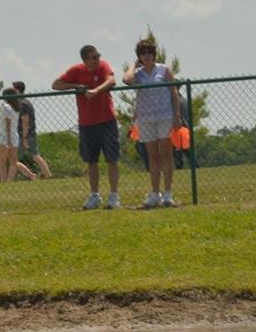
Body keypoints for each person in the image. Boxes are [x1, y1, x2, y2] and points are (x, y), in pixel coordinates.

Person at [53, 44, 121, 209]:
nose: (97, 59)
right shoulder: (76, 71)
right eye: (93, 57)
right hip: (87, 124)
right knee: (92, 161)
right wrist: (76, 86)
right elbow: (56, 84)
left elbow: (111, 80)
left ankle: (114, 196)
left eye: (98, 56)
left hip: (107, 121)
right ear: (85, 60)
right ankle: (95, 195)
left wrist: (96, 90)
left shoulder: (103, 66)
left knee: (112, 159)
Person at [122, 39, 182, 208]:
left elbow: (174, 93)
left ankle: (168, 193)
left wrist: (177, 115)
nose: (147, 55)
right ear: (139, 56)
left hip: (164, 116)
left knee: (166, 154)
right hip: (146, 118)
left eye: (150, 52)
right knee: (152, 156)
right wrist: (134, 66)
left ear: (154, 54)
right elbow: (126, 80)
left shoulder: (164, 70)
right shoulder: (138, 73)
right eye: (143, 53)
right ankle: (155, 193)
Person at [10, 81, 52, 178]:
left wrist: (24, 137)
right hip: (27, 134)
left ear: (17, 90)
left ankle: (45, 175)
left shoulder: (22, 103)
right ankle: (45, 175)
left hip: (25, 135)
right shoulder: (25, 102)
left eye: (13, 90)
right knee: (24, 158)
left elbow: (25, 121)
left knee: (28, 157)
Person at [0, 90, 36, 181]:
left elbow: (8, 123)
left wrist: (8, 140)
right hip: (14, 136)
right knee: (14, 162)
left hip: (5, 137)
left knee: (2, 162)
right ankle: (31, 175)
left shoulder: (6, 107)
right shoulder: (16, 108)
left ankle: (3, 181)